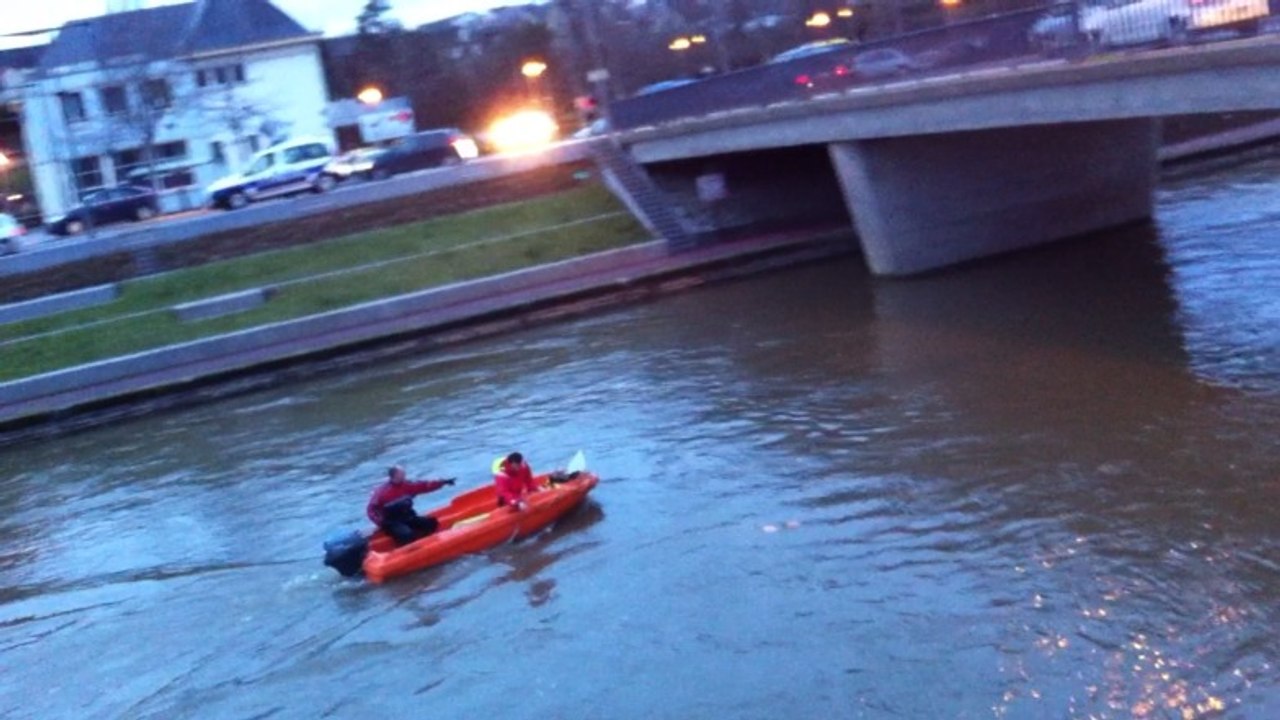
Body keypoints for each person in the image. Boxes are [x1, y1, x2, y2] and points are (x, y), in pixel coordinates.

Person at [367, 465, 455, 546]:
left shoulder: (408, 485)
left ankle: (427, 543)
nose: (405, 475)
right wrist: (380, 522)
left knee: (431, 523)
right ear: (395, 475)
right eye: (402, 473)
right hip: (392, 522)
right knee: (406, 534)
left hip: (407, 516)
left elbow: (425, 485)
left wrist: (443, 482)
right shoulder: (382, 492)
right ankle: (405, 551)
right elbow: (371, 510)